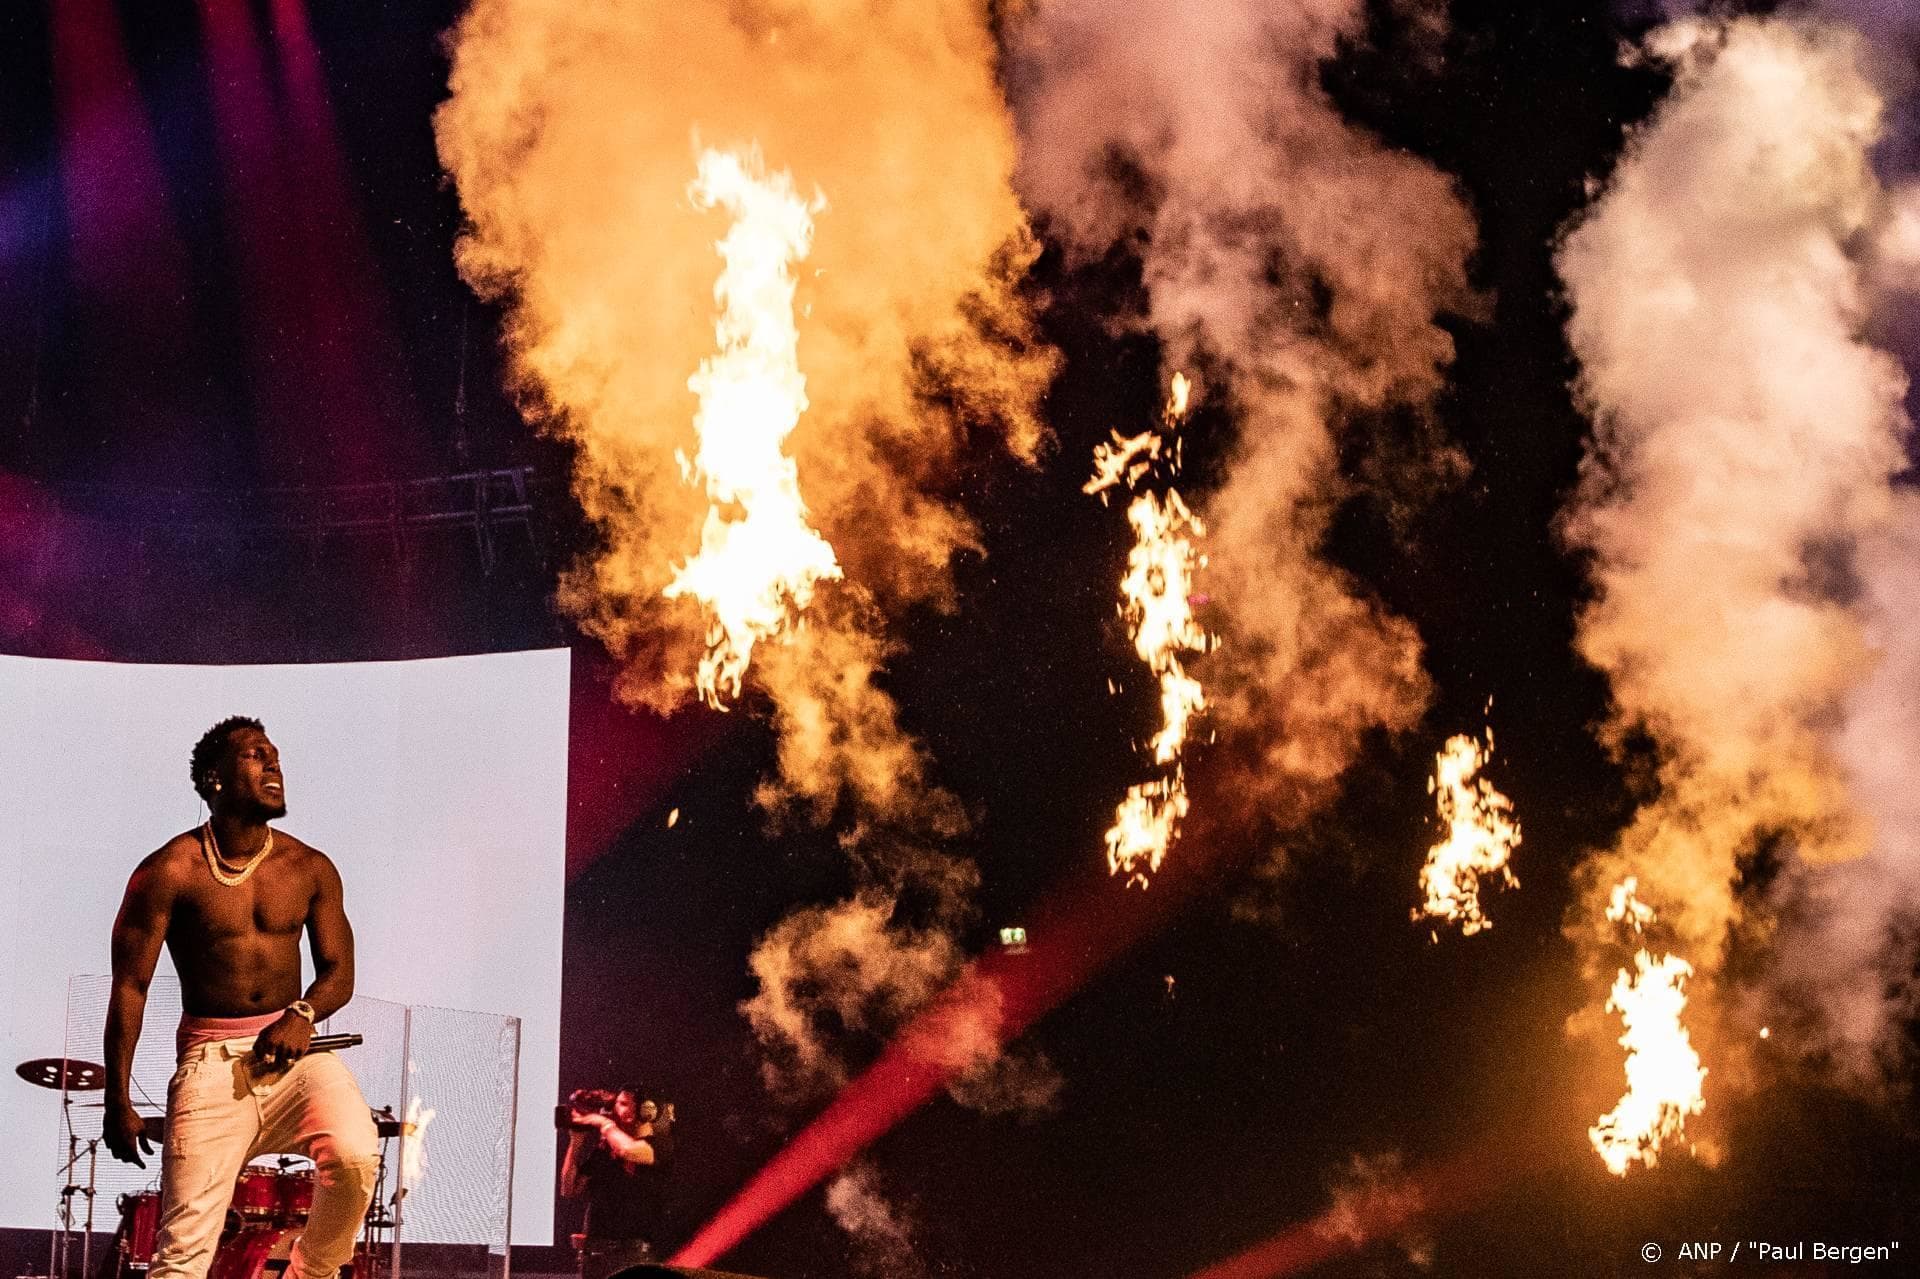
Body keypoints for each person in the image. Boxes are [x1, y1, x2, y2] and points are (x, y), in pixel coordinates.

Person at [103, 716, 380, 1279]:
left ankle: (310, 1273)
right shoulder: (167, 871)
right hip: (212, 1065)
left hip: (296, 1056)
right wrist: (117, 1097)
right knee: (180, 1257)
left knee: (354, 1157)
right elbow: (131, 985)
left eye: (274, 755)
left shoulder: (310, 867)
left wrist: (302, 1014)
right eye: (255, 755)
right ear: (215, 779)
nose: (273, 764)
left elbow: (339, 972)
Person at [560, 1088, 675, 1279]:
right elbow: (568, 1189)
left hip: (634, 1255)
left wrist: (603, 1122)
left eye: (624, 1103)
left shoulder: (661, 1144)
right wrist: (575, 1144)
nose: (616, 1109)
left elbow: (627, 1150)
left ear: (643, 1109)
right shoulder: (604, 1151)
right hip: (595, 1254)